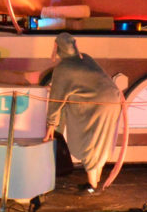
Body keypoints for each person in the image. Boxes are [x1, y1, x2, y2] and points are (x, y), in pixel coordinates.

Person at [42, 34, 126, 194]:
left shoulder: (64, 67)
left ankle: (92, 185)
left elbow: (56, 99)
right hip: (113, 100)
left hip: (95, 104)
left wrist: (51, 123)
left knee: (91, 142)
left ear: (57, 47)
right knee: (101, 140)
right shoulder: (85, 58)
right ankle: (96, 180)